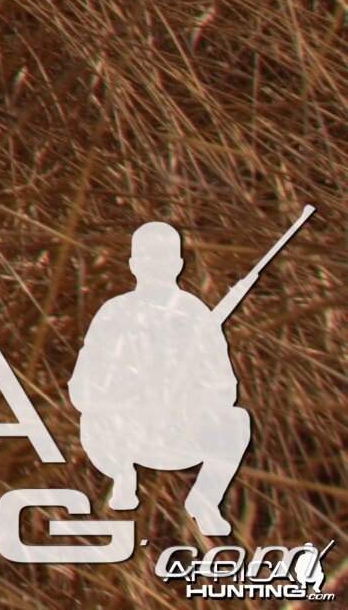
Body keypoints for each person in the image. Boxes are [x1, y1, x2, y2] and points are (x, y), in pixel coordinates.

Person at [72, 218, 255, 535]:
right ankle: (123, 478)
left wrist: (187, 390)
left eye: (164, 257)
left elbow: (225, 388)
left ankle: (204, 500)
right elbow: (82, 388)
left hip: (179, 432)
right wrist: (128, 392)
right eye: (147, 256)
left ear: (178, 263)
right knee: (91, 420)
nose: (155, 265)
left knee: (235, 422)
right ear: (133, 263)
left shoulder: (196, 314)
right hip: (125, 432)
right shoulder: (114, 313)